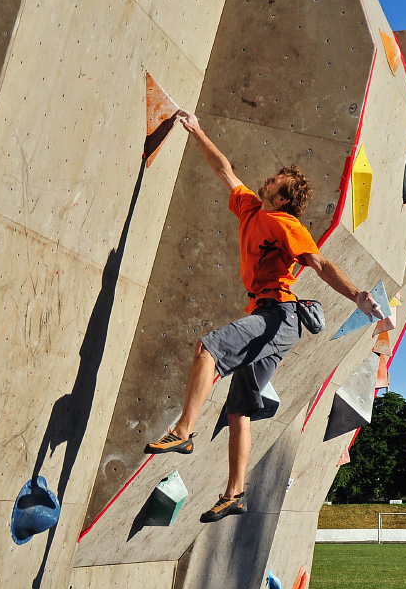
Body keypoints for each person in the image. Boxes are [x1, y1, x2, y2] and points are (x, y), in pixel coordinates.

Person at [144, 109, 383, 523]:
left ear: (284, 197)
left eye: (276, 181)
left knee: (208, 349)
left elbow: (321, 265)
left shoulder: (285, 223)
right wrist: (197, 130)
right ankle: (234, 494)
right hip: (270, 318)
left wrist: (358, 295)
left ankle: (183, 432)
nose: (268, 179)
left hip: (279, 316)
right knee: (239, 409)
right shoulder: (252, 209)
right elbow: (225, 170)